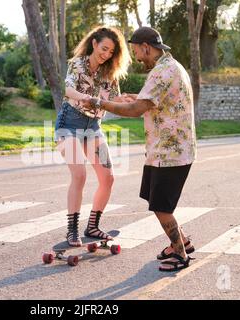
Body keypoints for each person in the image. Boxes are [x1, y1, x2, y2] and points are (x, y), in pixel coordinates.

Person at [82, 26, 197, 272]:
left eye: (136, 51)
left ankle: (180, 254)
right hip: (169, 150)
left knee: (161, 207)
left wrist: (100, 102)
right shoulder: (173, 67)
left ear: (146, 46)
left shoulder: (160, 73)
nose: (137, 57)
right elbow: (155, 99)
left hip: (169, 153)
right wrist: (132, 97)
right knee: (156, 200)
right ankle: (183, 240)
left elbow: (136, 110)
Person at [55, 26, 131, 247]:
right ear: (94, 43)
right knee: (79, 175)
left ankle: (93, 226)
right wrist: (87, 98)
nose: (106, 54)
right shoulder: (77, 64)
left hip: (93, 127)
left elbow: (115, 99)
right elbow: (68, 90)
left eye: (111, 52)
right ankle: (72, 231)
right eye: (104, 48)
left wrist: (133, 101)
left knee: (108, 177)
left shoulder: (109, 72)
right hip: (68, 124)